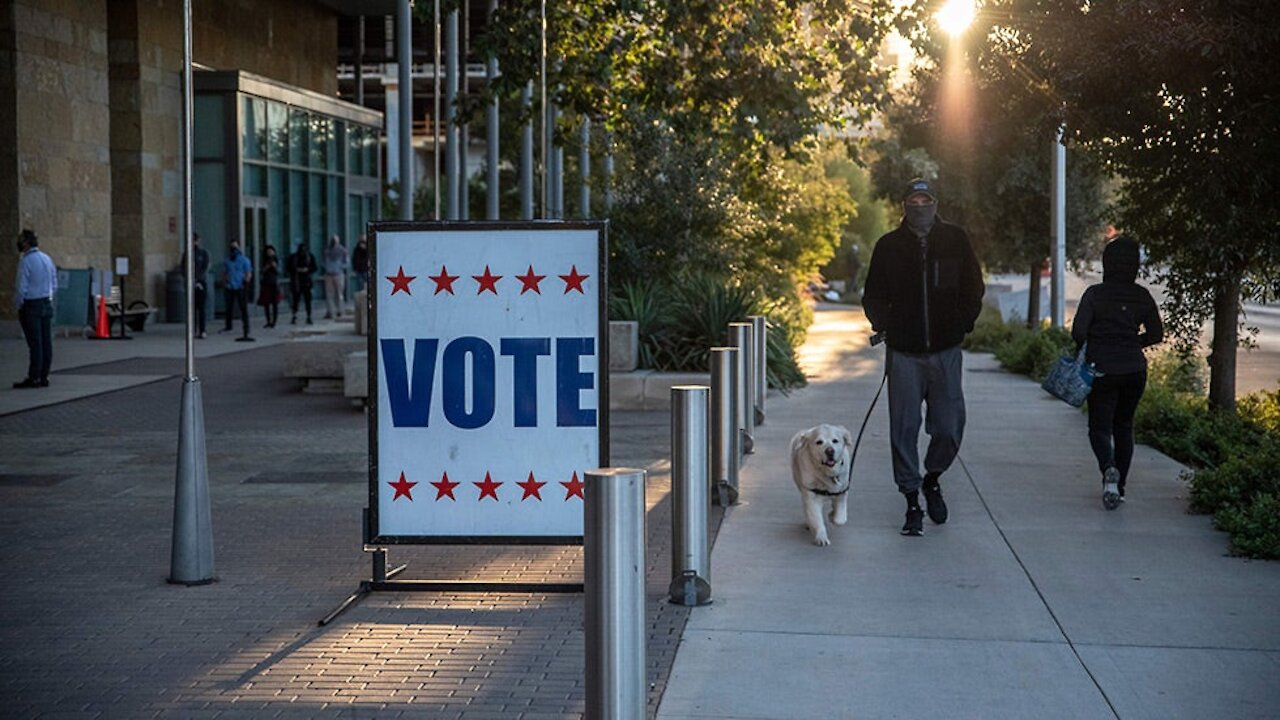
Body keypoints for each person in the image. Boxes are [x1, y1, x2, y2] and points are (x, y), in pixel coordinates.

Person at [861, 178, 985, 537]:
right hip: (904, 354)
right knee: (903, 429)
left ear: (935, 202)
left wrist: (963, 322)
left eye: (925, 199)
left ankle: (932, 477)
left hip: (945, 351)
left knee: (948, 427)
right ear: (904, 205)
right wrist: (886, 324)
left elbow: (973, 286)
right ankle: (911, 500)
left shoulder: (955, 240)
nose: (919, 206)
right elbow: (872, 295)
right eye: (913, 200)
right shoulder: (888, 246)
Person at [1071, 235, 1163, 510]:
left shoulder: (1095, 295)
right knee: (1124, 425)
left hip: (1102, 369)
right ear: (1135, 265)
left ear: (1106, 263)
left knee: (1099, 426)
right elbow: (1157, 334)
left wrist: (1093, 346)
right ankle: (1118, 487)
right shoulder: (1142, 296)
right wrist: (1135, 343)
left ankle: (1108, 469)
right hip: (1134, 369)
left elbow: (1078, 332)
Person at [13, 229, 57, 389]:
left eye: (21, 240)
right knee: (46, 342)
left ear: (26, 243)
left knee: (35, 343)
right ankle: (44, 376)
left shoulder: (26, 261)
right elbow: (54, 281)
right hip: (46, 302)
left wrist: (19, 304)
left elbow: (21, 287)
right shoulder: (47, 259)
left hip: (31, 305)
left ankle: (34, 377)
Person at [221, 239, 253, 340]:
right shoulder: (227, 261)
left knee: (243, 308)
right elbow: (225, 273)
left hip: (240, 286)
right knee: (228, 307)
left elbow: (248, 273)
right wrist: (225, 282)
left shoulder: (244, 260)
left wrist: (246, 283)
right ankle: (228, 325)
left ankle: (246, 327)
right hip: (230, 286)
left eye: (235, 247)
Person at [180, 232, 210, 338]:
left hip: (200, 283)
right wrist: (188, 279)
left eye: (194, 240)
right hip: (190, 283)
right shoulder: (187, 254)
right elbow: (183, 268)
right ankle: (192, 330)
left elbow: (205, 268)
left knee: (201, 308)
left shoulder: (203, 253)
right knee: (191, 308)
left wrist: (197, 279)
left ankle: (202, 330)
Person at [286, 240, 317, 324]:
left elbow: (314, 267)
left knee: (308, 300)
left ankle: (309, 316)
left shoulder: (310, 256)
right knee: (296, 300)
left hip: (306, 281)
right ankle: (294, 315)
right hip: (297, 281)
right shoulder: (293, 257)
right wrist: (296, 270)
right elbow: (288, 268)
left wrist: (307, 270)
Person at [323, 234, 348, 320]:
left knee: (336, 294)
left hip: (335, 274)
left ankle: (337, 311)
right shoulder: (329, 251)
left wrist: (337, 267)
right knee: (335, 294)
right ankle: (334, 311)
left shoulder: (340, 251)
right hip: (335, 274)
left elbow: (346, 263)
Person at [257, 244, 282, 328]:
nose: (270, 253)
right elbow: (262, 271)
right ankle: (268, 321)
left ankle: (274, 321)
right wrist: (267, 266)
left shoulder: (276, 260)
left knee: (275, 304)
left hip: (274, 284)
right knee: (266, 303)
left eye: (271, 251)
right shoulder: (264, 261)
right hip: (266, 283)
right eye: (268, 252)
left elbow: (278, 272)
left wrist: (274, 266)